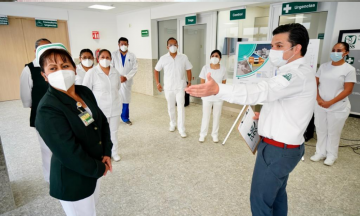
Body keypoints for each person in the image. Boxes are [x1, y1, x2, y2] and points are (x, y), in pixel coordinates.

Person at [186, 23, 315, 216]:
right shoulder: (299, 72)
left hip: (278, 151)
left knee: (260, 203)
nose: (273, 51)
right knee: (277, 196)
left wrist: (219, 89)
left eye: (279, 46)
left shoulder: (294, 74)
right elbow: (285, 103)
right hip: (285, 147)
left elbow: (262, 91)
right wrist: (265, 116)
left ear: (297, 48)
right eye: (272, 46)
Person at [35, 43, 113, 216]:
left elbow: (101, 123)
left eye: (65, 66)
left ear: (74, 69)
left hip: (94, 167)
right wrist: (99, 168)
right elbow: (68, 152)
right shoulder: (48, 108)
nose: (60, 72)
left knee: (92, 209)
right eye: (53, 68)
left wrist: (106, 152)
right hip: (73, 179)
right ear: (44, 75)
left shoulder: (84, 92)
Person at [310, 42, 356, 166]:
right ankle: (320, 152)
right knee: (320, 129)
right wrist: (318, 99)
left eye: (339, 50)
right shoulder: (324, 67)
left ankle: (331, 155)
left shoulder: (349, 69)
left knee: (333, 132)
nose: (335, 52)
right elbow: (315, 84)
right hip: (320, 104)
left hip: (337, 106)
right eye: (333, 50)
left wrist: (330, 102)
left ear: (346, 53)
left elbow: (348, 90)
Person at [20, 38, 52, 183]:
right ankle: (49, 177)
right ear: (35, 51)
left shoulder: (54, 65)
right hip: (41, 115)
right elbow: (26, 96)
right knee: (46, 148)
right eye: (41, 48)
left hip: (60, 114)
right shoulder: (29, 69)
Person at [83, 49, 122, 162]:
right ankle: (103, 153)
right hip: (100, 109)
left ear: (111, 59)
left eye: (107, 57)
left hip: (115, 107)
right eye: (102, 57)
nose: (105, 59)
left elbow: (117, 88)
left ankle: (114, 152)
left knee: (113, 132)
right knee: (100, 133)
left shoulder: (115, 72)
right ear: (98, 59)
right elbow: (86, 91)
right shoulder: (92, 72)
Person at [154, 37, 193, 138]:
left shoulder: (183, 57)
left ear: (178, 46)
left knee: (181, 107)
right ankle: (172, 123)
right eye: (170, 45)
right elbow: (156, 70)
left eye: (175, 44)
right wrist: (158, 83)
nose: (173, 47)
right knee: (170, 107)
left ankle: (182, 128)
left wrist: (189, 82)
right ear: (167, 46)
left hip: (180, 87)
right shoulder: (163, 58)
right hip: (168, 87)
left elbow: (188, 69)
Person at [199, 50, 226, 143]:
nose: (214, 57)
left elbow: (224, 82)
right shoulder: (205, 68)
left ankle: (215, 134)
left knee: (216, 116)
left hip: (218, 97)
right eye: (213, 56)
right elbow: (202, 81)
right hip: (207, 96)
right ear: (210, 57)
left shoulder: (223, 69)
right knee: (205, 116)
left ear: (220, 58)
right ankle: (203, 134)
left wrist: (220, 92)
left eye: (217, 56)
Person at [111, 37, 138, 125]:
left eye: (125, 44)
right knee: (116, 100)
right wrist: (118, 77)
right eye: (121, 44)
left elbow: (135, 68)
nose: (123, 46)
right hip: (116, 80)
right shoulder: (113, 54)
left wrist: (126, 77)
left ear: (128, 45)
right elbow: (111, 67)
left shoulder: (132, 55)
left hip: (127, 81)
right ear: (118, 44)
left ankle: (125, 118)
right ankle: (115, 117)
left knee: (126, 100)